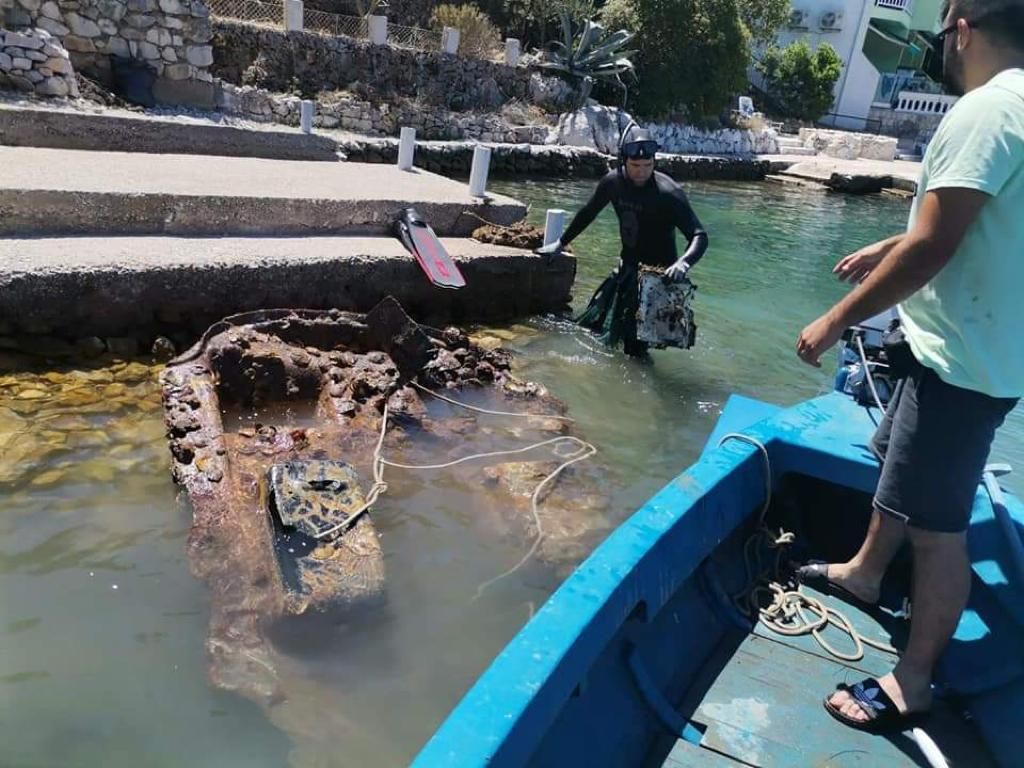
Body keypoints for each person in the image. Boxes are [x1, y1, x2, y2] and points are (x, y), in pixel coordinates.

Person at [795, 0, 1024, 733]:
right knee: (896, 464)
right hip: (966, 346)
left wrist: (837, 320)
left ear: (962, 28)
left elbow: (934, 247)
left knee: (938, 529)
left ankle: (912, 682)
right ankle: (865, 573)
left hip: (962, 365)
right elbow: (969, 216)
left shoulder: (988, 111)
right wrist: (886, 247)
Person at [536, 125, 709, 357]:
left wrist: (683, 263)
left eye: (648, 165)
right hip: (626, 269)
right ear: (623, 161)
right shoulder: (613, 183)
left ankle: (641, 387)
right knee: (592, 327)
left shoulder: (669, 193)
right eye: (635, 166)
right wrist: (560, 244)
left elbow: (699, 235)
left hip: (658, 278)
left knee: (636, 349)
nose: (642, 171)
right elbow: (588, 213)